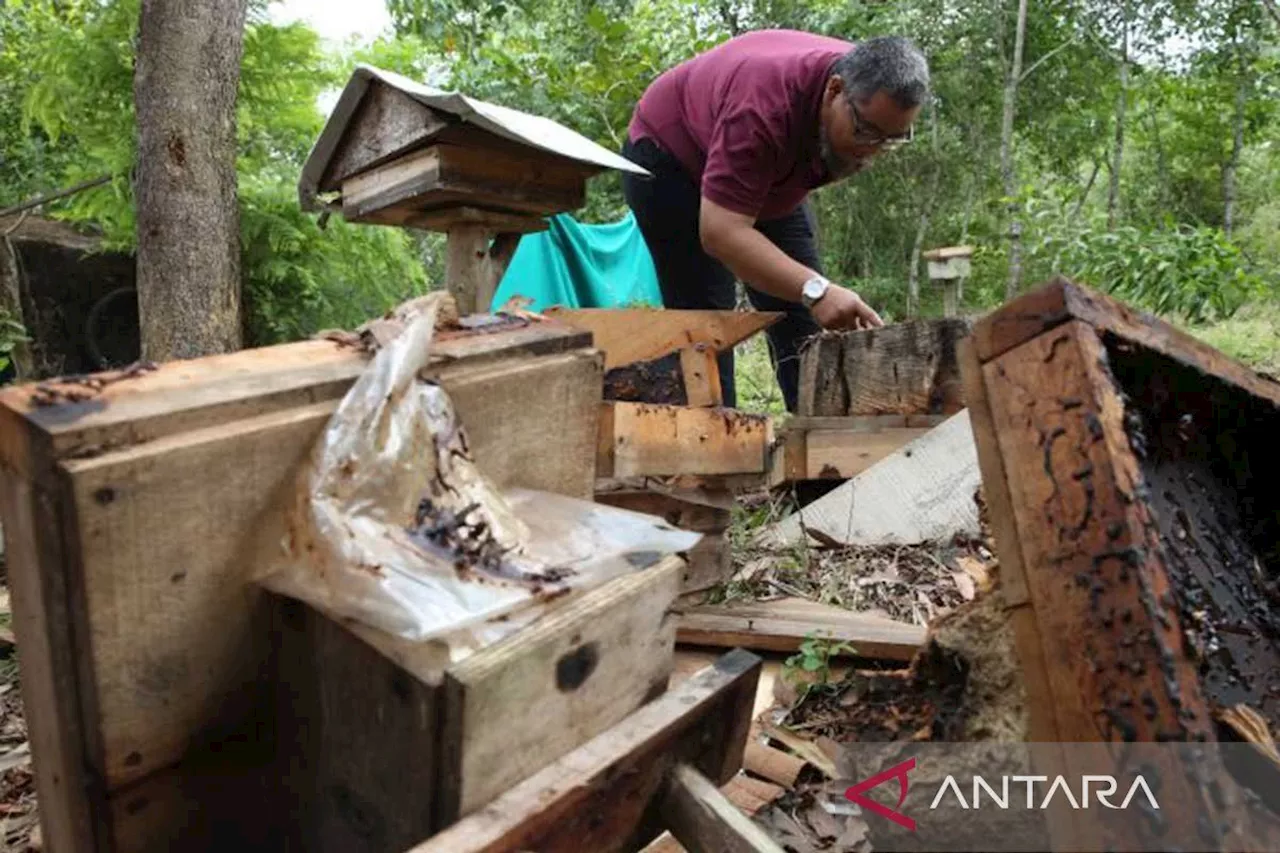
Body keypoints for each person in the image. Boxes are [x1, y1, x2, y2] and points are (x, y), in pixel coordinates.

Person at [620, 31, 929, 412]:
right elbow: (721, 233)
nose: (873, 151)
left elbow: (806, 291)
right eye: (866, 132)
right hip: (671, 161)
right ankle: (716, 457)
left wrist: (813, 292)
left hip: (765, 170)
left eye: (892, 139)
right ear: (834, 91)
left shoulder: (870, 80)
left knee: (804, 316)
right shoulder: (762, 109)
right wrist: (816, 289)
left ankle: (823, 459)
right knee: (707, 329)